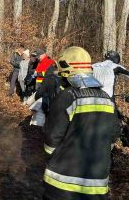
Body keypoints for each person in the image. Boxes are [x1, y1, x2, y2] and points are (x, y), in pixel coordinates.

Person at [43, 46, 121, 200]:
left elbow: (51, 140)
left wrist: (56, 156)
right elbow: (113, 137)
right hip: (97, 189)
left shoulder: (67, 97)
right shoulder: (107, 99)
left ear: (67, 73)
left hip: (61, 186)